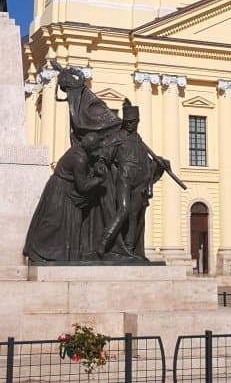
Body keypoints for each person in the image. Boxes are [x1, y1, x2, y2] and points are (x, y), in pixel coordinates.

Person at [98, 101, 170, 260]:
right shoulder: (118, 137)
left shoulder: (139, 140)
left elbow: (145, 161)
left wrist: (159, 163)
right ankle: (104, 242)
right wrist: (101, 165)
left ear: (137, 122)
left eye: (133, 122)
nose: (130, 125)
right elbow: (104, 155)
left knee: (134, 215)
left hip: (140, 181)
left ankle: (130, 250)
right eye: (128, 122)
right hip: (124, 178)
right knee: (123, 209)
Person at [23, 133, 107, 262]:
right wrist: (99, 179)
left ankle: (59, 255)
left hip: (64, 188)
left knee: (71, 222)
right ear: (91, 148)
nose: (97, 153)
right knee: (53, 222)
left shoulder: (78, 150)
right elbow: (83, 186)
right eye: (96, 149)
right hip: (59, 189)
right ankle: (36, 251)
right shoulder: (79, 158)